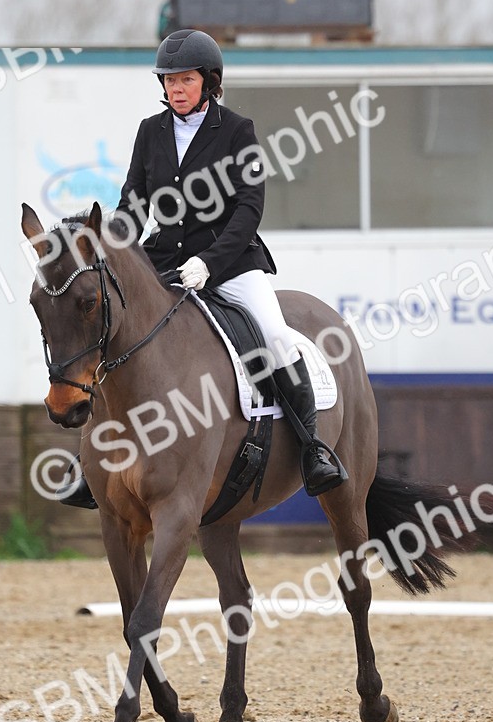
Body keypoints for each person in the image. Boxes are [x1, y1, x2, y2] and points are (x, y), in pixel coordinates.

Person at [60, 28, 347, 508]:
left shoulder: (237, 130)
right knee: (111, 327)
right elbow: (133, 204)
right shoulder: (150, 131)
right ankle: (90, 461)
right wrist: (114, 249)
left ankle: (312, 448)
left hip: (232, 261)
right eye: (168, 80)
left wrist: (209, 263)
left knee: (275, 335)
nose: (175, 88)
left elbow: (249, 208)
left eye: (185, 80)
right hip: (163, 261)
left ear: (209, 81)